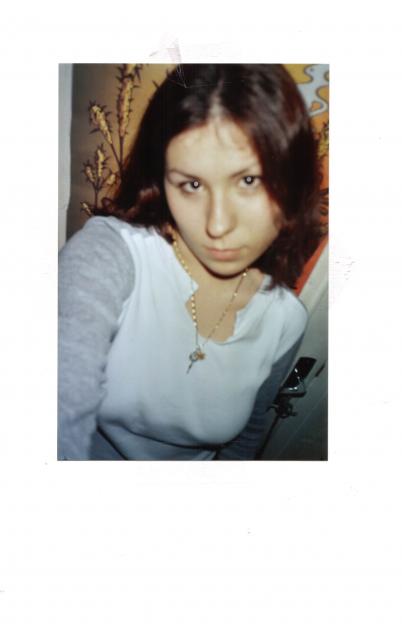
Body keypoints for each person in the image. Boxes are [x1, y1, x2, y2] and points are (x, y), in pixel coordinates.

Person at [58, 63, 323, 460]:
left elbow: (245, 441)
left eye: (248, 180)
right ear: (162, 182)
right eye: (192, 184)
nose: (217, 225)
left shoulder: (286, 319)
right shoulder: (110, 255)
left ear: (293, 184)